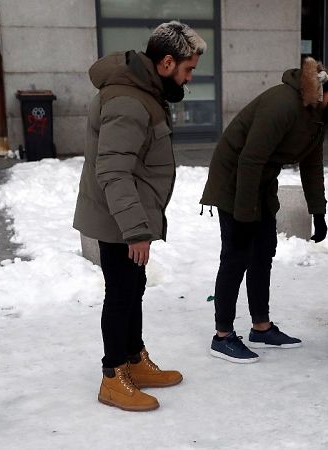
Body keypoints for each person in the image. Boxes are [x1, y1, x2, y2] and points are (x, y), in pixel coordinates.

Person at [73, 21, 206, 411]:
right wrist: (135, 230)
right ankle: (113, 377)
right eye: (188, 69)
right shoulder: (128, 100)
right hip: (118, 219)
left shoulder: (144, 92)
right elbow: (114, 170)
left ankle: (134, 359)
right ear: (166, 63)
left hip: (128, 214)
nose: (190, 77)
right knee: (120, 292)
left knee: (133, 286)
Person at [200, 59, 328, 364]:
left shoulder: (317, 117)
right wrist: (245, 214)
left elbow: (312, 164)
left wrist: (318, 212)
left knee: (263, 251)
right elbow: (249, 159)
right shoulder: (284, 105)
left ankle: (261, 327)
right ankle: (222, 336)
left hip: (261, 181)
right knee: (236, 256)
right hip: (235, 179)